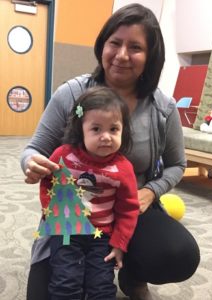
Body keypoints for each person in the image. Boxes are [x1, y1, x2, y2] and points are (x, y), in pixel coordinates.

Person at [21, 3, 200, 300]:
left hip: (130, 205)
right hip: (72, 212)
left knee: (178, 255)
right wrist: (31, 163)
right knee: (45, 293)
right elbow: (34, 149)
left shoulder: (163, 108)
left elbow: (177, 164)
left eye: (135, 47)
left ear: (151, 56)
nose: (121, 55)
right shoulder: (72, 93)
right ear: (102, 44)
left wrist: (152, 191)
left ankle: (133, 274)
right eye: (114, 43)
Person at [38, 86, 139, 299]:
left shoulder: (123, 168)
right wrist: (51, 212)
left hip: (102, 235)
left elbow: (128, 208)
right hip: (67, 230)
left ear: (123, 131)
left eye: (113, 129)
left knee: (101, 286)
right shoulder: (63, 156)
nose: (105, 137)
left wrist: (120, 243)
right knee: (65, 281)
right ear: (80, 130)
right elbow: (48, 183)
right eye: (96, 129)